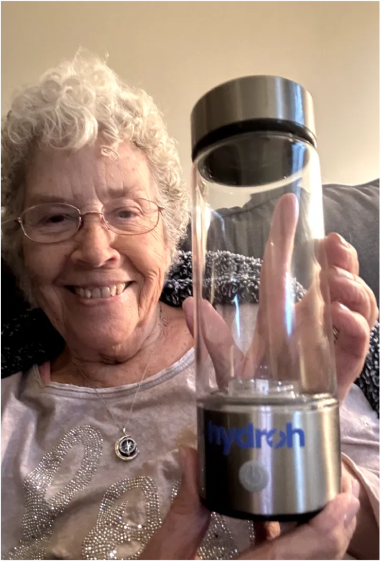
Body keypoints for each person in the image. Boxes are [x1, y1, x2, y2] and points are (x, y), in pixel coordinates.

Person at [0, 53, 379, 561]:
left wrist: (303, 443)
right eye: (53, 218)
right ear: (19, 248)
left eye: (127, 211)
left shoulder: (275, 340)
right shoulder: (9, 418)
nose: (94, 250)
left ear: (169, 231)